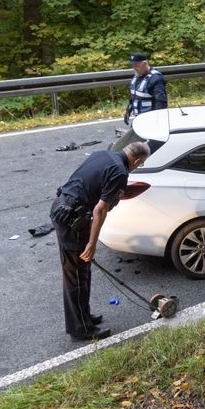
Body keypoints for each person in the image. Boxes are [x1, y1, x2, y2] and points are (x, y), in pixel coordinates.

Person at [50, 141, 151, 341]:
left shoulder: (103, 155)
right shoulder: (120, 172)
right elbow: (100, 210)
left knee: (82, 271)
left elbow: (90, 183)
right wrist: (92, 243)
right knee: (76, 275)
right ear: (137, 160)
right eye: (139, 165)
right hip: (72, 220)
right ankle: (80, 329)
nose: (137, 167)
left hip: (64, 208)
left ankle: (83, 316)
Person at [124, 52, 167, 124]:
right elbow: (133, 97)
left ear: (145, 64)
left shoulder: (156, 78)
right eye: (132, 65)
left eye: (137, 65)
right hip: (139, 119)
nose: (134, 68)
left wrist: (158, 121)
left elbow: (161, 103)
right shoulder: (136, 76)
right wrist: (128, 111)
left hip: (150, 120)